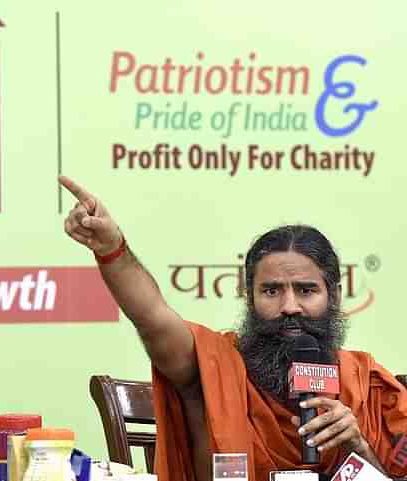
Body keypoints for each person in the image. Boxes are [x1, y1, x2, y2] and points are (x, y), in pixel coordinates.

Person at [59, 176, 407, 481]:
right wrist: (111, 249)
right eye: (271, 291)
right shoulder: (211, 366)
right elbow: (152, 317)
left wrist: (358, 445)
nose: (289, 307)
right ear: (249, 296)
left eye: (306, 290)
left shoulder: (367, 384)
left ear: (334, 295)